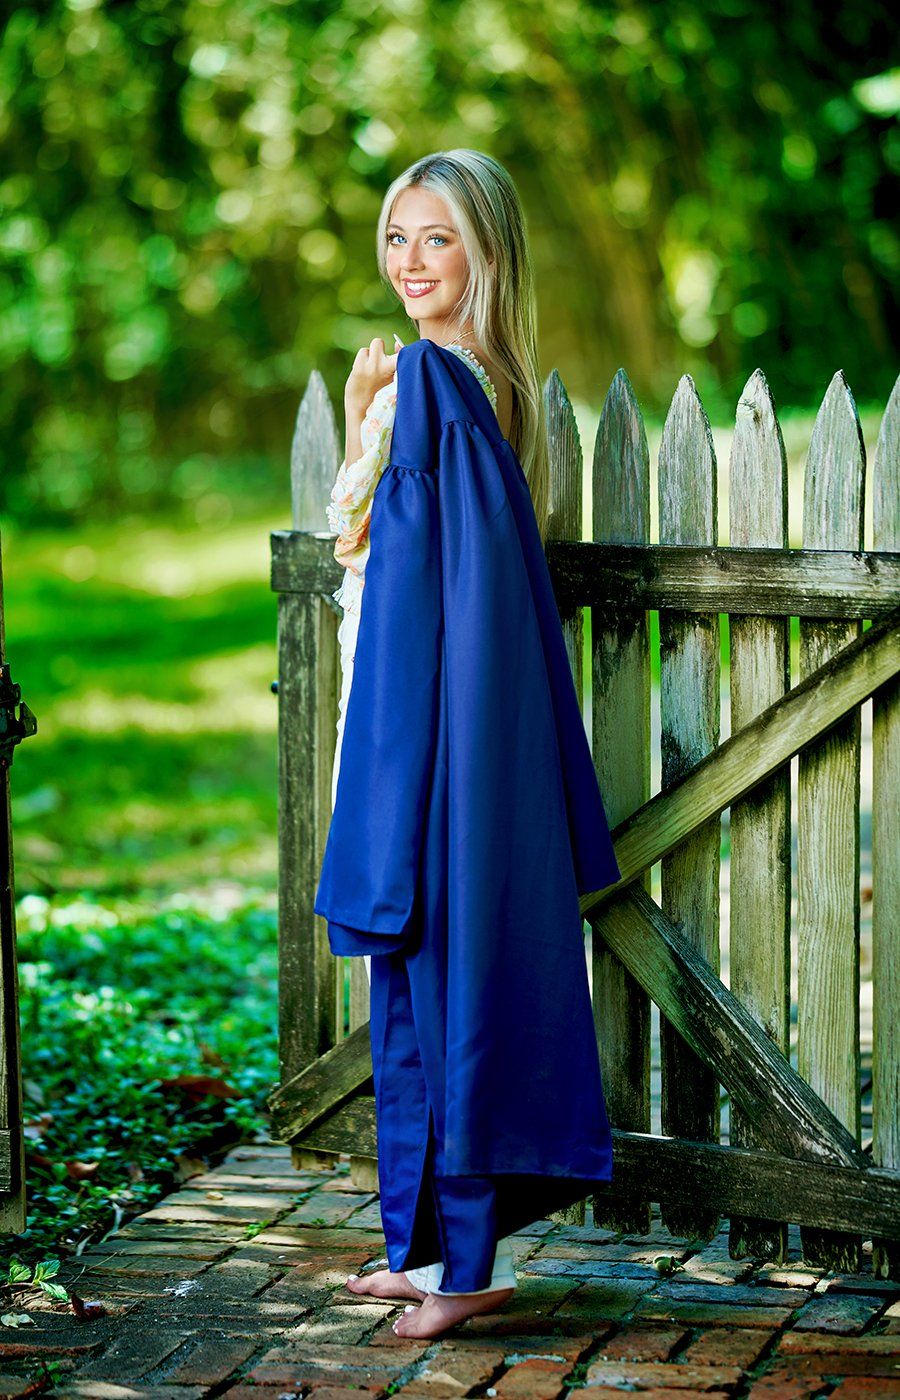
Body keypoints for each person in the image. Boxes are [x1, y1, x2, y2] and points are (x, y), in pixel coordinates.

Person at [314, 150, 622, 1341]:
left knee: (449, 980)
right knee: (404, 974)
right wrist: (357, 420)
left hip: (436, 725)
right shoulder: (438, 383)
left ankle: (471, 1264)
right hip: (399, 708)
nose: (409, 262)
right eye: (397, 237)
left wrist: (418, 757)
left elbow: (447, 595)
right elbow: (377, 553)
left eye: (436, 238)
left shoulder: (455, 382)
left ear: (486, 253)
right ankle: (417, 1242)